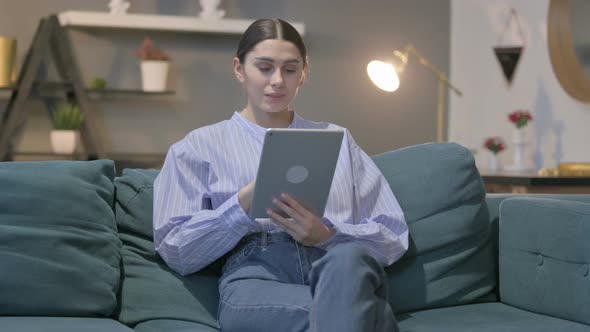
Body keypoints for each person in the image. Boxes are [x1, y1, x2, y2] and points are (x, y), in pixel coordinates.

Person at [153, 18, 409, 332]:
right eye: (264, 67)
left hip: (335, 271)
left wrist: (327, 236)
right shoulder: (198, 147)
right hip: (256, 278)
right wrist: (243, 202)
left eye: (290, 69)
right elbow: (177, 250)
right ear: (239, 69)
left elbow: (393, 237)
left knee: (347, 264)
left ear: (305, 72)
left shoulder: (339, 140)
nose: (277, 81)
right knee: (365, 318)